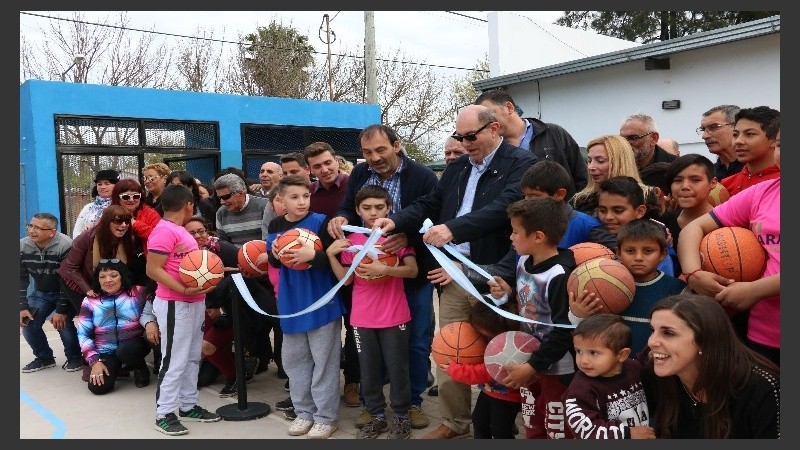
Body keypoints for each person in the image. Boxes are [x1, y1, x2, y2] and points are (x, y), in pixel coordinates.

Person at [374, 105, 536, 439]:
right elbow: (429, 204)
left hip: (495, 276)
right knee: (452, 348)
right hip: (452, 276)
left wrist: (453, 230)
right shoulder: (458, 167)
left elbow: (502, 209)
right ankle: (454, 420)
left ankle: (516, 419)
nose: (464, 143)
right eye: (460, 136)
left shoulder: (522, 164)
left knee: (507, 350)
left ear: (494, 129)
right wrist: (397, 221)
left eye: (470, 136)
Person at [327, 124, 439, 430]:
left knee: (415, 341)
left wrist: (407, 238)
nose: (374, 157)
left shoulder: (423, 177)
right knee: (370, 349)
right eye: (367, 152)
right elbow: (350, 208)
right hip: (369, 280)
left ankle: (412, 402)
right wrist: (341, 218)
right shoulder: (361, 175)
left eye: (380, 149)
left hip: (410, 273)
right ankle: (372, 404)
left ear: (396, 145)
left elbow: (432, 218)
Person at [677, 128, 779, 366]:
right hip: (763, 333)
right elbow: (694, 229)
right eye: (782, 145)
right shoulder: (762, 193)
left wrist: (754, 290)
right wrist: (694, 274)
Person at [327, 185, 419, 439]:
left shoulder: (396, 237)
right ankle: (376, 415)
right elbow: (345, 281)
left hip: (395, 315)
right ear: (357, 210)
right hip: (362, 318)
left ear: (389, 208)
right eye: (366, 208)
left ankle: (401, 416)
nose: (373, 212)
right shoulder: (351, 239)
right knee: (368, 369)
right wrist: (331, 254)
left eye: (379, 207)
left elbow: (412, 271)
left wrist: (386, 269)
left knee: (397, 367)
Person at [262, 174, 344, 439]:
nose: (301, 202)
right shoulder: (275, 224)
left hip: (321, 302)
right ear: (281, 200)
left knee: (324, 362)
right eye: (294, 197)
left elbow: (335, 261)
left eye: (305, 196)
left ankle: (326, 417)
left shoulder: (322, 223)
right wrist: (274, 253)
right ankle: (303, 412)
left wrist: (314, 256)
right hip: (291, 303)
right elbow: (274, 264)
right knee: (295, 361)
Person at [487, 197, 576, 439]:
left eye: (515, 232)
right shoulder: (524, 261)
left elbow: (563, 330)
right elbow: (528, 301)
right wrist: (506, 295)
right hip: (528, 361)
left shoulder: (559, 275)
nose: (511, 237)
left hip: (555, 368)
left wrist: (533, 366)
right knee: (533, 425)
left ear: (538, 236)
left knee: (557, 429)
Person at [641, 294, 780, 438]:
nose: (652, 341)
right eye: (652, 330)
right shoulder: (653, 375)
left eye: (668, 333)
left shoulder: (763, 389)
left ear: (704, 340)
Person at [147, 184, 221, 436]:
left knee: (191, 356)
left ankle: (188, 406)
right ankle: (164, 413)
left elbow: (192, 266)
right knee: (173, 359)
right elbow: (153, 269)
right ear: (189, 204)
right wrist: (183, 289)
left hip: (193, 301)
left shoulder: (178, 231)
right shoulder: (164, 231)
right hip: (174, 303)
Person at [569, 219, 686, 354]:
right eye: (630, 251)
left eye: (648, 251)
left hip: (653, 366)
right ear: (618, 253)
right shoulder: (599, 284)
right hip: (610, 369)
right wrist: (578, 315)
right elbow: (581, 332)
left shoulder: (677, 289)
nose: (638, 257)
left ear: (663, 254)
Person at [302, 141, 359, 411]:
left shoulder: (354, 186)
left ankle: (353, 381)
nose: (324, 169)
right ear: (309, 169)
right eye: (317, 166)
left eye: (327, 163)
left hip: (353, 270)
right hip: (320, 272)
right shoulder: (308, 195)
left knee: (355, 326)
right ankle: (323, 386)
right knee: (324, 330)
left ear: (336, 159)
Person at [475, 88, 587, 200]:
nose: (486, 122)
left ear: (509, 108)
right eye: (482, 119)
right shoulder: (491, 149)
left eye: (490, 115)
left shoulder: (553, 133)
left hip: (562, 214)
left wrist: (576, 212)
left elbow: (582, 177)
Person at [562, 314, 654, 439]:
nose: (583, 360)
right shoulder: (580, 389)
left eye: (593, 353)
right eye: (578, 351)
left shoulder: (635, 368)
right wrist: (627, 434)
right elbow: (586, 430)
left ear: (622, 355)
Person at [59, 205, 148, 329]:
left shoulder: (129, 239)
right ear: (107, 222)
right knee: (91, 317)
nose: (123, 225)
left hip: (104, 280)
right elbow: (70, 267)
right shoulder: (87, 237)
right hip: (77, 280)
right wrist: (87, 289)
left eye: (127, 221)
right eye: (118, 221)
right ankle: (87, 347)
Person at [442, 301, 521, 439]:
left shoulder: (506, 348)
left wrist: (455, 369)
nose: (476, 333)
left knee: (500, 430)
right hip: (490, 391)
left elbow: (484, 372)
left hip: (508, 396)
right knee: (479, 421)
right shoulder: (493, 335)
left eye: (479, 331)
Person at [20, 213, 83, 373]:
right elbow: (20, 278)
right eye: (31, 226)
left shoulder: (65, 245)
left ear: (52, 232)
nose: (32, 231)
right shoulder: (23, 246)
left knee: (63, 323)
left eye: (38, 228)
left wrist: (61, 310)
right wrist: (22, 306)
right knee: (28, 323)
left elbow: (67, 280)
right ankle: (44, 358)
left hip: (67, 292)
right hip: (42, 292)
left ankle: (75, 358)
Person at [77, 260, 152, 394]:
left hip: (133, 346)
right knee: (98, 388)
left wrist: (151, 323)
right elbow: (83, 334)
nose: (108, 280)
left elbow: (159, 303)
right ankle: (116, 367)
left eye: (114, 275)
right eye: (102, 277)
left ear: (122, 276)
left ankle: (139, 367)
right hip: (106, 350)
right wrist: (94, 361)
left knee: (126, 350)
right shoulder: (89, 301)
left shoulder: (139, 292)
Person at [596, 176, 674, 276]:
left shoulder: (656, 238)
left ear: (640, 211)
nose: (608, 217)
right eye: (602, 210)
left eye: (618, 211)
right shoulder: (593, 233)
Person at [569, 135, 659, 217]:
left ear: (620, 162)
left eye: (600, 161)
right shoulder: (581, 200)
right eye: (589, 160)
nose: (591, 167)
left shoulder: (646, 197)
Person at [659, 154, 717, 273]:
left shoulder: (726, 223)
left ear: (713, 183)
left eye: (695, 180)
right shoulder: (661, 225)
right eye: (677, 180)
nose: (685, 186)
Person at [720, 106, 780, 196]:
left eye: (749, 134)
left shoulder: (778, 182)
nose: (738, 141)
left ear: (774, 139)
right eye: (735, 135)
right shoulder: (725, 185)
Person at [213, 173, 269, 246]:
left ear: (240, 193)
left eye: (226, 197)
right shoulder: (221, 213)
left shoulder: (265, 206)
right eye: (219, 198)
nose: (222, 202)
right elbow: (224, 245)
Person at [110, 178, 162, 252]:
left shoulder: (150, 213)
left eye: (136, 196)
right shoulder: (109, 213)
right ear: (117, 198)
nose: (131, 200)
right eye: (126, 197)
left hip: (144, 259)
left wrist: (135, 224)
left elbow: (159, 237)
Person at [698, 104, 744, 181]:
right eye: (703, 130)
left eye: (714, 127)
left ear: (736, 126)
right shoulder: (708, 175)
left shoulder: (756, 169)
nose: (705, 136)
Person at [73, 169, 120, 237]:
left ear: (117, 185)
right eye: (99, 184)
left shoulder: (121, 206)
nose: (103, 187)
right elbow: (77, 231)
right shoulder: (88, 207)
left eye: (107, 184)